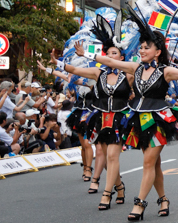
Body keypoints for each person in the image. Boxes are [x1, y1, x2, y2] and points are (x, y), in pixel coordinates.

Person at [96, 5, 178, 222]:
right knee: (155, 163)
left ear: (158, 52)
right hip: (138, 119)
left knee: (148, 163)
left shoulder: (166, 71)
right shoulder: (135, 68)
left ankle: (139, 204)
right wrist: (97, 54)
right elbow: (110, 61)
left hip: (160, 120)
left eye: (146, 47)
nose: (142, 50)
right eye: (141, 47)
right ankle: (163, 199)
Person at [56, 14, 132, 210]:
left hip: (119, 119)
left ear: (122, 57)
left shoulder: (129, 75)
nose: (110, 56)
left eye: (114, 53)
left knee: (113, 156)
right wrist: (57, 63)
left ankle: (107, 194)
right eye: (108, 53)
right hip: (101, 118)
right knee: (106, 158)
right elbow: (74, 70)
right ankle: (119, 186)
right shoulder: (98, 73)